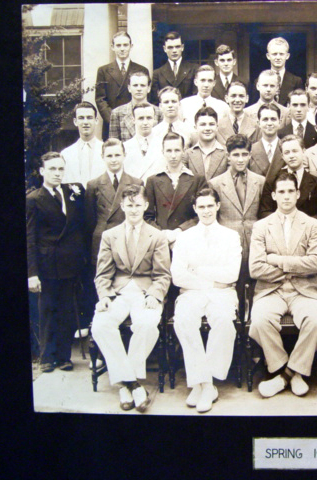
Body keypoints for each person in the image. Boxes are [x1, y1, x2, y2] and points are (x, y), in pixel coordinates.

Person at [91, 184, 171, 412]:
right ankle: (132, 384)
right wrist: (104, 296)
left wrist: (155, 294)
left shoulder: (157, 236)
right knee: (100, 325)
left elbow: (163, 275)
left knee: (146, 325)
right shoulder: (110, 235)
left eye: (138, 205)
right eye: (129, 205)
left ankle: (125, 384)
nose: (134, 210)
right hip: (118, 293)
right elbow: (102, 274)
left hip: (146, 293)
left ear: (145, 205)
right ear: (122, 206)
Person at [248, 172, 317, 398]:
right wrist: (296, 265)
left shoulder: (312, 224)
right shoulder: (261, 226)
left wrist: (277, 260)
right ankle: (286, 369)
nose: (286, 196)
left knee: (315, 321)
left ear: (298, 193)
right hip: (271, 290)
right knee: (260, 320)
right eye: (281, 192)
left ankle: (287, 376)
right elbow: (255, 268)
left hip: (305, 290)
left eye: (290, 191)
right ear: (273, 195)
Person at [171, 188, 242, 412]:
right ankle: (203, 383)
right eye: (201, 207)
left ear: (218, 206)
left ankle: (205, 382)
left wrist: (198, 270)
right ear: (195, 209)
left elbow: (232, 274)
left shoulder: (231, 236)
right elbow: (178, 276)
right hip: (192, 293)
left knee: (223, 321)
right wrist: (212, 281)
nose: (206, 211)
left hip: (222, 294)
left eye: (210, 205)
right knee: (183, 321)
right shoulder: (185, 237)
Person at [27, 152, 87, 373]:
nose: (57, 173)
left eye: (60, 169)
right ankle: (46, 357)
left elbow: (79, 226)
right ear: (42, 171)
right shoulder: (34, 199)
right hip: (47, 264)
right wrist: (32, 273)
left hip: (69, 263)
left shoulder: (73, 192)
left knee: (67, 311)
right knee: (47, 311)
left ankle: (64, 357)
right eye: (52, 169)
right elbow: (30, 239)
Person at [209, 134, 266, 318]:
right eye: (236, 155)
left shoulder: (260, 181)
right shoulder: (216, 183)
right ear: (228, 156)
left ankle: (252, 322)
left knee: (255, 285)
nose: (240, 159)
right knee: (231, 286)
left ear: (250, 155)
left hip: (255, 240)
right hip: (227, 243)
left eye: (244, 154)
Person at [86, 139, 143, 267]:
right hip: (102, 241)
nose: (114, 160)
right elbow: (89, 221)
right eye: (109, 156)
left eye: (117, 155)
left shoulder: (136, 183)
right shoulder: (93, 185)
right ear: (102, 157)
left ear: (124, 155)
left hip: (128, 239)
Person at [144, 132, 208, 246]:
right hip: (161, 242)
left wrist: (180, 230)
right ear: (162, 152)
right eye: (169, 151)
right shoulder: (152, 181)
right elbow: (147, 216)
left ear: (183, 151)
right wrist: (161, 234)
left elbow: (203, 213)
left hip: (189, 240)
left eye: (177, 150)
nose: (173, 155)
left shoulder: (197, 180)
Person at [258, 134, 317, 233]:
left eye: (295, 151)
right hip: (280, 233)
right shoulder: (272, 181)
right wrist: (285, 225)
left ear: (303, 151)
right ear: (282, 156)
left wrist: (302, 226)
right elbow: (264, 212)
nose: (291, 156)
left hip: (308, 233)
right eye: (287, 152)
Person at [95, 31, 149, 133]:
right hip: (112, 123)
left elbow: (145, 98)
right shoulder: (103, 71)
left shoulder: (141, 70)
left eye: (125, 45)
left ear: (131, 46)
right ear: (112, 47)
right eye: (118, 45)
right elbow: (100, 100)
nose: (122, 48)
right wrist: (113, 120)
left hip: (136, 122)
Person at [61, 102, 105, 187]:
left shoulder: (106, 151)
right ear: (75, 121)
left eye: (89, 117)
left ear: (96, 120)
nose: (85, 122)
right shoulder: (66, 154)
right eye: (81, 118)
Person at [109, 71, 162, 142]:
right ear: (129, 88)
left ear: (148, 88)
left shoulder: (159, 112)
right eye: (135, 85)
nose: (139, 89)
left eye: (142, 85)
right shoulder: (117, 113)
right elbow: (114, 145)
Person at [150, 31, 197, 104]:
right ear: (164, 49)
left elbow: (196, 96)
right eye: (170, 47)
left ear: (182, 47)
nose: (174, 51)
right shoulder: (158, 74)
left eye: (177, 47)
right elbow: (155, 101)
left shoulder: (194, 69)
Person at [123, 102, 164, 182]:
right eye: (141, 118)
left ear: (154, 119)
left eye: (149, 118)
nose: (145, 123)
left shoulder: (163, 145)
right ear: (133, 120)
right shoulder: (125, 147)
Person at [184, 107, 228, 180]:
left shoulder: (226, 153)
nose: (207, 128)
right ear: (195, 127)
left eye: (211, 124)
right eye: (203, 124)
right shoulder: (187, 155)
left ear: (217, 127)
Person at [248, 104, 283, 177]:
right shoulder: (251, 150)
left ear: (279, 122)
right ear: (258, 123)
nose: (269, 123)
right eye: (265, 119)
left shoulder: (286, 149)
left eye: (273, 119)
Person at [265, 37, 303, 104]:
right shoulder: (259, 81)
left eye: (281, 54)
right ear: (268, 56)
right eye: (274, 54)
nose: (278, 57)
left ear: (287, 56)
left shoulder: (296, 81)